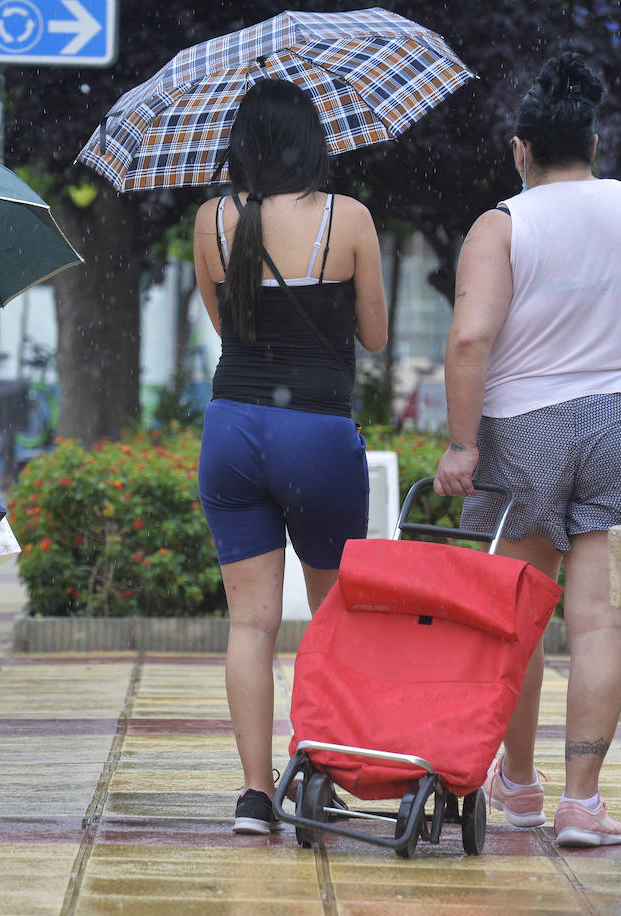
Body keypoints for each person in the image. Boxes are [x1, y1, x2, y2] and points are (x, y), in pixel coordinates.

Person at [434, 53, 621, 847]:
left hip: (524, 428)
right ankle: (584, 805)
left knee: (519, 618)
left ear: (521, 149)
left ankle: (521, 788)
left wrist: (463, 447)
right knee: (598, 623)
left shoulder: (502, 223)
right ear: (593, 145)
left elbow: (469, 338)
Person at [192, 79, 388, 834]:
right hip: (315, 430)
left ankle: (251, 795)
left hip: (232, 428)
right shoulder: (350, 219)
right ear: (313, 141)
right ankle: (321, 769)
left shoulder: (211, 220)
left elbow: (226, 325)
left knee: (252, 624)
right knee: (333, 617)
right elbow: (373, 335)